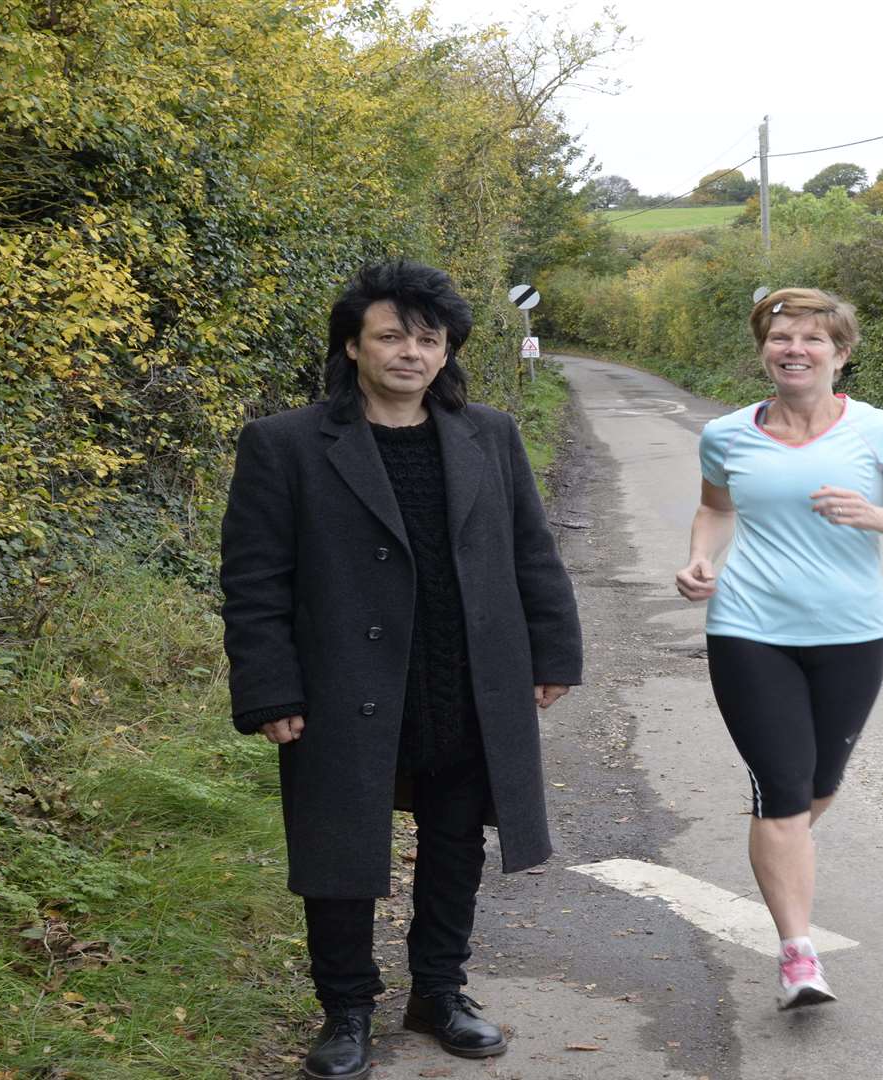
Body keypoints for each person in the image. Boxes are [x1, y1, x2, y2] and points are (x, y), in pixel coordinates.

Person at [221, 260, 583, 1079]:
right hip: (342, 686)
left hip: (466, 679)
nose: (411, 353)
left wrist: (554, 650)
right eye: (391, 336)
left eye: (429, 339)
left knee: (456, 839)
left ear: (448, 349)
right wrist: (269, 686)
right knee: (340, 846)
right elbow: (254, 581)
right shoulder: (286, 445)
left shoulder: (488, 434)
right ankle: (346, 1007)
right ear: (353, 346)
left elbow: (532, 549)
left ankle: (438, 992)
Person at [673, 287, 883, 1010]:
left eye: (811, 339)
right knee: (783, 789)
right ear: (763, 349)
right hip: (748, 631)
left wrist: (877, 516)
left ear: (841, 353)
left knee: (814, 788)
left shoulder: (882, 433)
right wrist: (702, 558)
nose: (793, 349)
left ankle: (779, 836)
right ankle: (798, 954)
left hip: (852, 635)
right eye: (779, 337)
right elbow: (715, 507)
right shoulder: (729, 434)